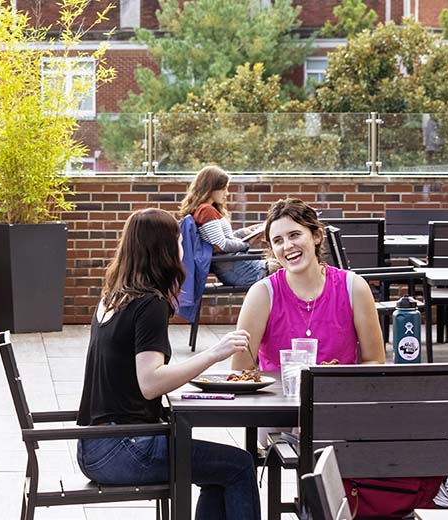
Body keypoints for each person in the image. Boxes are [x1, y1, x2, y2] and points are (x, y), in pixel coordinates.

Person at [76, 208, 261, 520]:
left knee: (219, 471)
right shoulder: (150, 304)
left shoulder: (112, 297)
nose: (183, 247)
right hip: (124, 448)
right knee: (240, 466)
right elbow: (151, 383)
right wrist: (214, 354)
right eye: (178, 239)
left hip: (93, 446)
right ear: (165, 248)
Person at [232, 198, 385, 370]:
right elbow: (241, 371)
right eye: (278, 240)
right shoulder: (261, 294)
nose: (288, 246)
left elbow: (375, 362)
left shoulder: (354, 287)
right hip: (278, 395)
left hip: (338, 392)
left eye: (294, 235)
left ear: (317, 236)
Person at [178, 166, 267, 287]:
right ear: (210, 188)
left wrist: (244, 233)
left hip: (236, 267)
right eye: (224, 189)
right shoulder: (206, 211)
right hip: (237, 270)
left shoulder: (205, 209)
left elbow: (220, 240)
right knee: (285, 269)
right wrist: (247, 244)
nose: (227, 193)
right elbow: (221, 245)